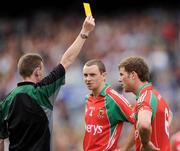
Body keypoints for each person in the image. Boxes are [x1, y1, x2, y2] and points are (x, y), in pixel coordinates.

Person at [0, 15, 95, 151]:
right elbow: (67, 60)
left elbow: (1, 141)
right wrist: (84, 32)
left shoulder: (5, 102)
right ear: (37, 71)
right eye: (42, 70)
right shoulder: (42, 91)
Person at [118, 56, 172, 151]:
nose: (120, 79)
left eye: (122, 74)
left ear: (133, 75)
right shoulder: (155, 95)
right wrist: (125, 148)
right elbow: (170, 116)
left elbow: (143, 125)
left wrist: (146, 143)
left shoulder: (145, 98)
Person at [82, 59, 135, 151]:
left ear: (103, 76)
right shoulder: (88, 98)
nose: (88, 79)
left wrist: (125, 148)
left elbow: (139, 123)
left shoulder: (114, 99)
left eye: (92, 75)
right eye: (85, 75)